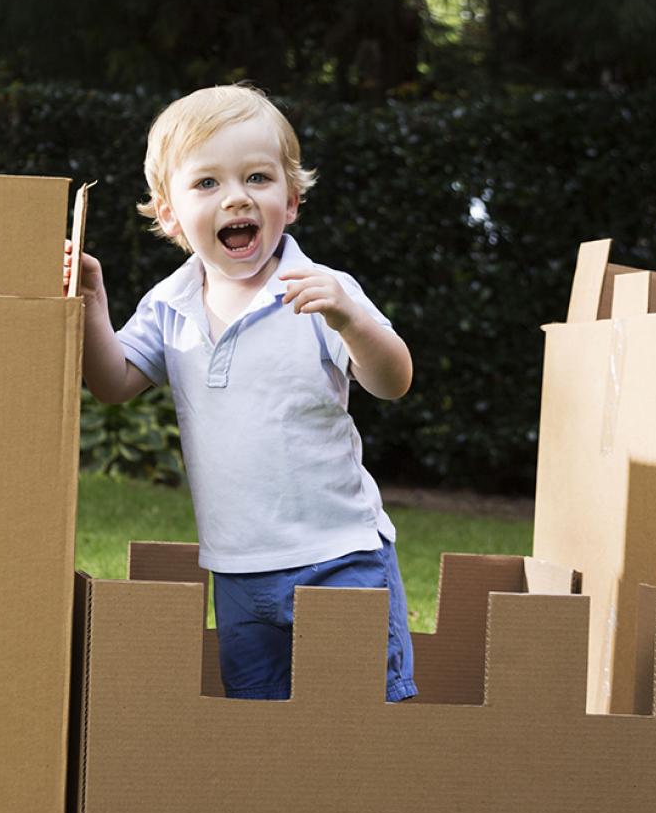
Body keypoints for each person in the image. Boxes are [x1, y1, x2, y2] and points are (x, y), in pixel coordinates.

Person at [63, 84, 417, 702]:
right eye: (207, 184)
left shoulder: (321, 290)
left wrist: (352, 321)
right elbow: (113, 382)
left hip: (338, 557)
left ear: (292, 200)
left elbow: (393, 382)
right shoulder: (169, 305)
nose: (236, 197)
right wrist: (92, 300)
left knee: (362, 717)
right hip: (238, 570)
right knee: (256, 724)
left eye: (257, 177)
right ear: (169, 214)